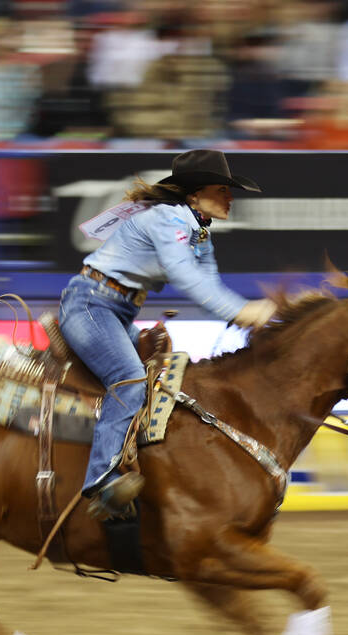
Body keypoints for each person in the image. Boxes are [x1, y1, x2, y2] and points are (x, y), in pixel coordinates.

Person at [58, 149, 277, 521]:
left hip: (114, 309)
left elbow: (207, 281)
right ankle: (102, 482)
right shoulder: (168, 219)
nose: (230, 197)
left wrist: (247, 316)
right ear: (194, 193)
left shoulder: (199, 231)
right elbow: (186, 277)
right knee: (128, 380)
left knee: (154, 383)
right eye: (222, 189)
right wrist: (241, 310)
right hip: (92, 305)